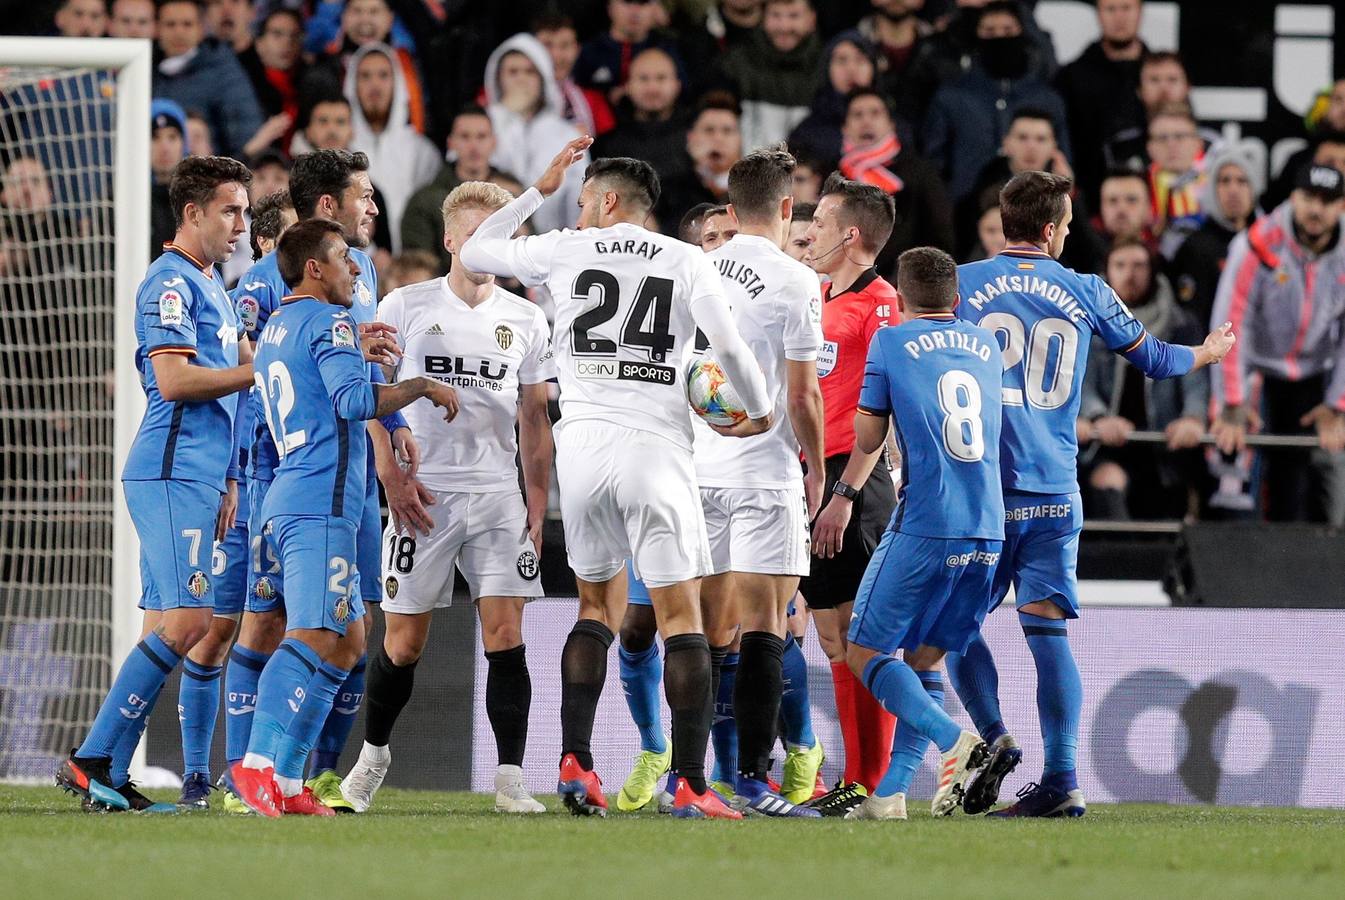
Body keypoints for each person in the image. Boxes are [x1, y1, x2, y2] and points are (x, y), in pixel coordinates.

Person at [461, 140, 774, 819]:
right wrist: (762, 410)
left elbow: (474, 251)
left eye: (579, 198)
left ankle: (575, 762)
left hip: (582, 449)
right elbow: (728, 349)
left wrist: (535, 191)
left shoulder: (567, 247)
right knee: (679, 618)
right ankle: (688, 783)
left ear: (605, 202)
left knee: (595, 610)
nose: (576, 208)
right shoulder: (688, 259)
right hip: (656, 448)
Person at [949, 171, 1234, 817]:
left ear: (1006, 221)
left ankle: (993, 740)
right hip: (1053, 485)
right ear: (1050, 230)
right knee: (1047, 639)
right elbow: (1157, 360)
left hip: (982, 491)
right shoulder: (1083, 288)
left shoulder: (960, 284)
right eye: (1070, 225)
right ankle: (1062, 781)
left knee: (955, 633)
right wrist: (1207, 353)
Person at [225, 218, 457, 817]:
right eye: (343, 258)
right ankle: (255, 768)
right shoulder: (328, 320)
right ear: (314, 268)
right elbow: (354, 401)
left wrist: (354, 344)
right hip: (319, 502)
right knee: (311, 634)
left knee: (351, 637)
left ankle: (296, 778)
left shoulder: (280, 323)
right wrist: (422, 386)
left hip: (291, 494)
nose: (356, 268)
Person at [338, 181, 555, 816]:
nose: (491, 246)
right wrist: (390, 474)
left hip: (496, 497)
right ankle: (373, 758)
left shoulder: (527, 318)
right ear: (451, 240)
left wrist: (535, 501)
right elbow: (371, 395)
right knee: (403, 642)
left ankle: (511, 778)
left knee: (505, 632)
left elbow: (535, 419)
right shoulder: (405, 304)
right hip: (421, 497)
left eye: (503, 235)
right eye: (478, 233)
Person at [56, 156, 255, 814]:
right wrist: (258, 373)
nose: (241, 224)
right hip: (170, 470)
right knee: (192, 621)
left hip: (202, 475)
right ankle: (89, 759)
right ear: (193, 213)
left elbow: (225, 386)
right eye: (230, 210)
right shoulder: (169, 283)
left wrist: (229, 478)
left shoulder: (211, 285)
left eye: (246, 212)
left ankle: (108, 771)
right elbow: (173, 382)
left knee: (164, 622)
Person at [843, 246, 1005, 821]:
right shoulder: (987, 344)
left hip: (925, 523)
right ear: (957, 300)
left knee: (861, 650)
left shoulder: (890, 341)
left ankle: (954, 742)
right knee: (924, 663)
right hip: (988, 528)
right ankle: (889, 796)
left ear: (900, 299)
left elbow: (866, 438)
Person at [688, 147, 827, 817]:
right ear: (785, 207)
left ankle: (690, 779)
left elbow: (686, 374)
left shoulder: (697, 267)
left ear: (727, 204)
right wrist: (818, 468)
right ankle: (749, 778)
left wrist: (712, 425)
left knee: (707, 633)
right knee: (766, 629)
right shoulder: (796, 280)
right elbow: (802, 396)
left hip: (696, 470)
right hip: (764, 476)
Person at [798, 173, 899, 813]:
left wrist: (843, 493)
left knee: (867, 638)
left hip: (854, 482)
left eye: (823, 224)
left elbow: (882, 409)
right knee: (834, 635)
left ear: (851, 234)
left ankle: (878, 786)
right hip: (815, 475)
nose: (810, 235)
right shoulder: (819, 295)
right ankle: (855, 783)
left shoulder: (880, 302)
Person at [1210, 164, 1345, 525]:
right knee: (1236, 479)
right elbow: (1230, 323)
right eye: (1308, 198)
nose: (1316, 210)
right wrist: (1232, 402)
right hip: (1255, 373)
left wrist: (1338, 403)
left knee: (1301, 494)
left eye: (1328, 201)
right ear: (1292, 198)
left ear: (1342, 206)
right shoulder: (1256, 243)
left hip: (1314, 375)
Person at [1079, 239, 1210, 520]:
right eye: (1120, 265)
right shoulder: (1087, 321)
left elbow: (1195, 374)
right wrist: (1098, 417)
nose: (1130, 274)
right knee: (1106, 483)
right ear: (1107, 272)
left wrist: (1193, 418)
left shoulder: (1180, 322)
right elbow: (1080, 378)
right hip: (1107, 445)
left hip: (1164, 443)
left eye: (1139, 265)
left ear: (1153, 272)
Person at [922, 1, 1071, 204]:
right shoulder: (951, 96)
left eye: (1008, 30)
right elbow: (933, 166)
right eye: (990, 30)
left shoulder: (1047, 98)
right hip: (965, 214)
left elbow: (1062, 159)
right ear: (977, 34)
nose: (1000, 37)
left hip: (1036, 210)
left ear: (1022, 32)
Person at [482, 34, 587, 234]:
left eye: (530, 72)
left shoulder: (565, 133)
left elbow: (580, 195)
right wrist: (506, 119)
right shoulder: (481, 125)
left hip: (552, 244)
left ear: (543, 78)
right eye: (513, 72)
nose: (521, 79)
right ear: (498, 78)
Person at [839, 89, 952, 274]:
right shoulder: (834, 175)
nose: (866, 121)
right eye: (857, 115)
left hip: (906, 280)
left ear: (891, 124)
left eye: (875, 113)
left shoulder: (920, 172)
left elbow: (940, 232)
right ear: (844, 127)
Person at [401, 107, 521, 274]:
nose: (474, 146)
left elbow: (530, 252)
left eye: (481, 136)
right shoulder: (425, 200)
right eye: (465, 137)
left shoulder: (514, 190)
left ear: (494, 142)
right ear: (451, 143)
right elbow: (418, 267)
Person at [344, 43, 442, 249]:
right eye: (365, 76)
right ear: (352, 84)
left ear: (397, 82)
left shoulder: (422, 152)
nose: (375, 85)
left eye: (383, 75)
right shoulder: (341, 150)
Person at [1055, 0, 1147, 203]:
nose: (1119, 17)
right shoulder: (1072, 77)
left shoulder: (1160, 74)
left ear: (1140, 11)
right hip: (1089, 199)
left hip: (1153, 200)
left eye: (1126, 8)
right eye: (1111, 9)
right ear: (1098, 14)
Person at [152, 0, 265, 161]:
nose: (179, 32)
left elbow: (244, 134)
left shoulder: (223, 70)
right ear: (157, 29)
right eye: (170, 24)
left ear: (201, 29)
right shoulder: (146, 68)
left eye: (187, 24)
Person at [1170, 141, 1261, 328]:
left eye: (1242, 181)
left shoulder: (1266, 244)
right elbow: (1191, 317)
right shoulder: (1194, 248)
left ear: (1254, 189)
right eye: (1224, 181)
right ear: (1212, 189)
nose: (1233, 190)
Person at [717, 0, 823, 152]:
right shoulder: (736, 62)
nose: (784, 27)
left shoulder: (830, 64)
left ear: (812, 19)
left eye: (793, 16)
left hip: (809, 171)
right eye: (776, 15)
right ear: (763, 17)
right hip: (746, 169)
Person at [592, 48, 691, 187]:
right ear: (628, 86)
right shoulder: (606, 146)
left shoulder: (695, 138)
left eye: (661, 78)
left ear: (677, 85)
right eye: (643, 79)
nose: (652, 88)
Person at [787, 30, 880, 168]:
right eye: (841, 60)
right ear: (826, 68)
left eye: (860, 60)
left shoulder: (896, 128)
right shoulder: (807, 134)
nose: (851, 69)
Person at [657, 92, 743, 234]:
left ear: (739, 140)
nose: (718, 138)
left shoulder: (752, 191)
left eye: (727, 131)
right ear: (691, 138)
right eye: (709, 130)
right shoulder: (667, 190)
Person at [575, 0, 685, 106]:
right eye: (627, 1)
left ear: (655, 9)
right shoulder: (588, 52)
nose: (635, 11)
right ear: (610, 7)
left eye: (643, 2)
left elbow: (685, 93)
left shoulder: (668, 49)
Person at [533, 13, 616, 138]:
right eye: (547, 45)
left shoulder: (593, 98)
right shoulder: (511, 96)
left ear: (577, 49)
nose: (556, 55)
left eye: (565, 45)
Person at [237, 9, 307, 155]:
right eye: (277, 34)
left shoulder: (309, 83)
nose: (287, 42)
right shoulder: (241, 84)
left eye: (294, 35)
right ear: (259, 42)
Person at [1146, 104, 1207, 252]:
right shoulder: (1136, 188)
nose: (1171, 144)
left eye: (1180, 137)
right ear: (1150, 147)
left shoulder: (1218, 186)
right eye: (1162, 138)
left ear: (1198, 143)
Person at [1093, 168, 1158, 252]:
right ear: (1101, 207)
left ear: (1148, 207)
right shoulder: (1083, 245)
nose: (1121, 209)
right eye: (1112, 200)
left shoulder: (1165, 251)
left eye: (1131, 200)